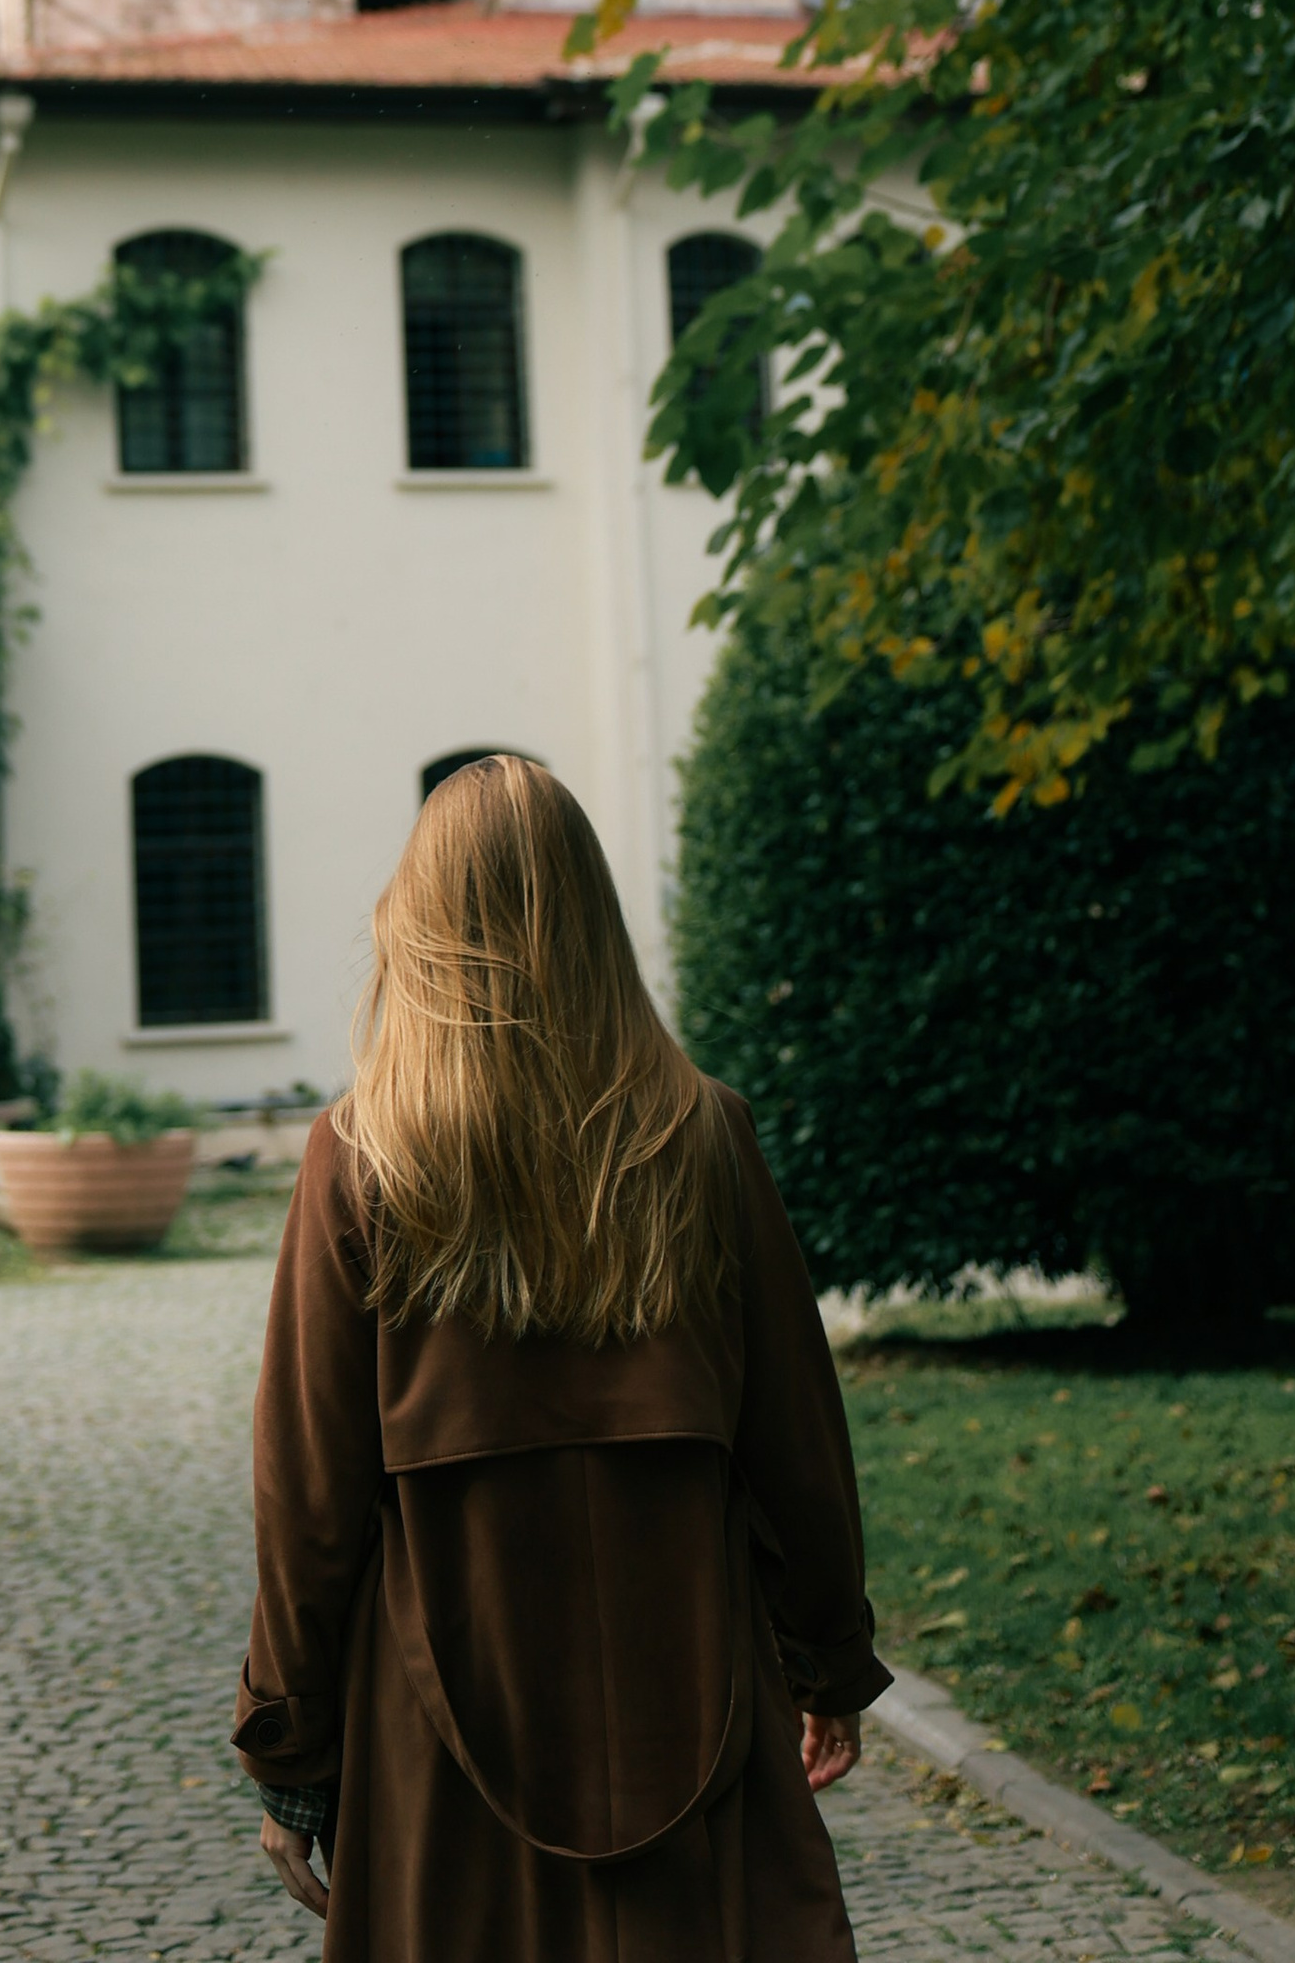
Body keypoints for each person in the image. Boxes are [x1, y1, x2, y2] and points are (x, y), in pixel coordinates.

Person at [233, 754, 886, 1960]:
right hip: (687, 1677)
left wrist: (290, 1750)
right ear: (595, 923)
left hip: (439, 1721)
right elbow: (798, 1439)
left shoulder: (360, 1158)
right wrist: (826, 1659)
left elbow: (307, 1497)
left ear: (420, 929)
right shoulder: (702, 1136)